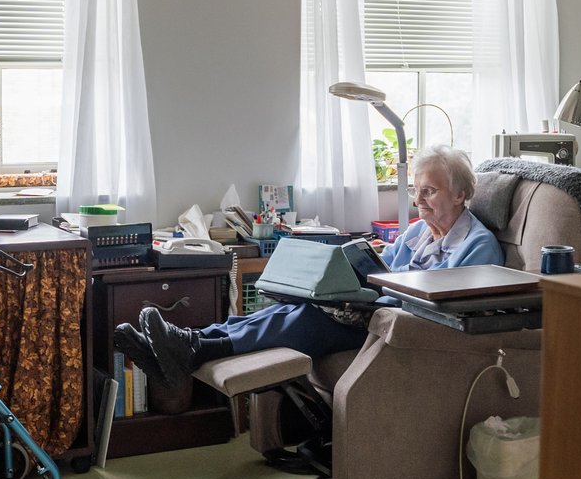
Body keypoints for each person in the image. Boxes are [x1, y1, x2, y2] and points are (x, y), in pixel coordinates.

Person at [116, 145, 502, 389]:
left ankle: (191, 347)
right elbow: (384, 271)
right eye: (415, 190)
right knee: (293, 305)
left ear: (461, 194)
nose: (418, 200)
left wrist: (376, 295)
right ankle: (184, 343)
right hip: (372, 309)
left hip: (403, 328)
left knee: (308, 320)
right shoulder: (418, 232)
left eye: (429, 191)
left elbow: (448, 307)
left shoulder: (477, 246)